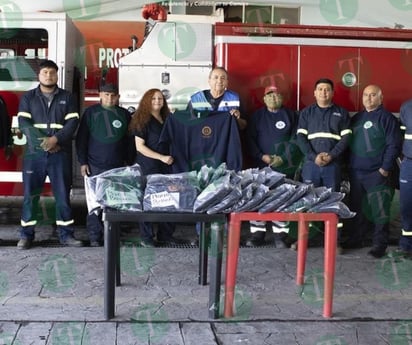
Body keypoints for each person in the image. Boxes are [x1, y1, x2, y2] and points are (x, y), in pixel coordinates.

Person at [16, 59, 83, 249]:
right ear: (39, 75)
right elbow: (24, 125)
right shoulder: (28, 98)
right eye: (45, 72)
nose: (48, 75)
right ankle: (26, 236)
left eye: (52, 72)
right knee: (31, 195)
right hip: (34, 156)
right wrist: (45, 143)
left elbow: (72, 123)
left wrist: (55, 140)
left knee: (62, 195)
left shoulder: (68, 97)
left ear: (56, 75)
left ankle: (66, 236)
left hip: (59, 153)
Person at [187, 66, 246, 245]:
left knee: (225, 191)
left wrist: (237, 119)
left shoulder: (234, 99)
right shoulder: (196, 99)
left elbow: (243, 126)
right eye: (215, 78)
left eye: (223, 78)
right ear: (209, 80)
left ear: (227, 82)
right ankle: (201, 234)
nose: (219, 81)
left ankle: (224, 235)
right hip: (202, 154)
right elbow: (187, 126)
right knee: (202, 192)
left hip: (225, 152)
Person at [344, 85, 402, 258]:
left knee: (379, 210)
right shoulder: (357, 118)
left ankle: (379, 244)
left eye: (373, 95)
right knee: (357, 207)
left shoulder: (387, 119)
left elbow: (394, 145)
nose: (368, 98)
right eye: (366, 95)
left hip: (377, 173)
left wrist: (384, 169)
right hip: (356, 172)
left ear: (380, 98)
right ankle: (357, 238)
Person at [296, 78, 351, 251]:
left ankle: (334, 241)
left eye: (327, 89)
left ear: (332, 93)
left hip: (332, 166)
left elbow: (346, 138)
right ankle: (305, 239)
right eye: (320, 89)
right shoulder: (306, 113)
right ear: (314, 92)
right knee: (308, 202)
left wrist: (332, 155)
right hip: (311, 165)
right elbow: (300, 138)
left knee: (333, 202)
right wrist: (314, 157)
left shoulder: (341, 113)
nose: (323, 92)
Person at [245, 85, 302, 248]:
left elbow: (296, 139)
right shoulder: (257, 116)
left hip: (285, 166)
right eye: (269, 95)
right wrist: (262, 156)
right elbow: (250, 140)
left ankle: (280, 235)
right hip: (261, 165)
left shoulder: (291, 115)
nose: (273, 97)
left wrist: (284, 158)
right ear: (264, 98)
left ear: (282, 97)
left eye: (276, 94)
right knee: (257, 197)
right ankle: (257, 234)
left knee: (282, 198)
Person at [75, 82, 132, 246]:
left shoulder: (124, 115)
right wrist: (83, 161)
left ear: (118, 97)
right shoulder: (91, 113)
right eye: (106, 95)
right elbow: (82, 139)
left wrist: (129, 162)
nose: (110, 98)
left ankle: (112, 236)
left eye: (113, 95)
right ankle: (94, 236)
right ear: (100, 95)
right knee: (94, 203)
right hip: (94, 165)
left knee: (114, 203)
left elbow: (129, 141)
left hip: (118, 166)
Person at [129, 88, 175, 247]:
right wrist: (161, 157)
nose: (157, 101)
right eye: (154, 98)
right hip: (149, 166)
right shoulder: (142, 120)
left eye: (160, 99)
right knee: (148, 202)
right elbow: (140, 147)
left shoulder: (167, 118)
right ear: (147, 100)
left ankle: (165, 235)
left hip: (167, 166)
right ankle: (147, 237)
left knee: (168, 201)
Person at [398, 98, 412, 258]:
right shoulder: (406, 107)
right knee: (406, 205)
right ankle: (406, 244)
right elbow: (402, 133)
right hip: (409, 163)